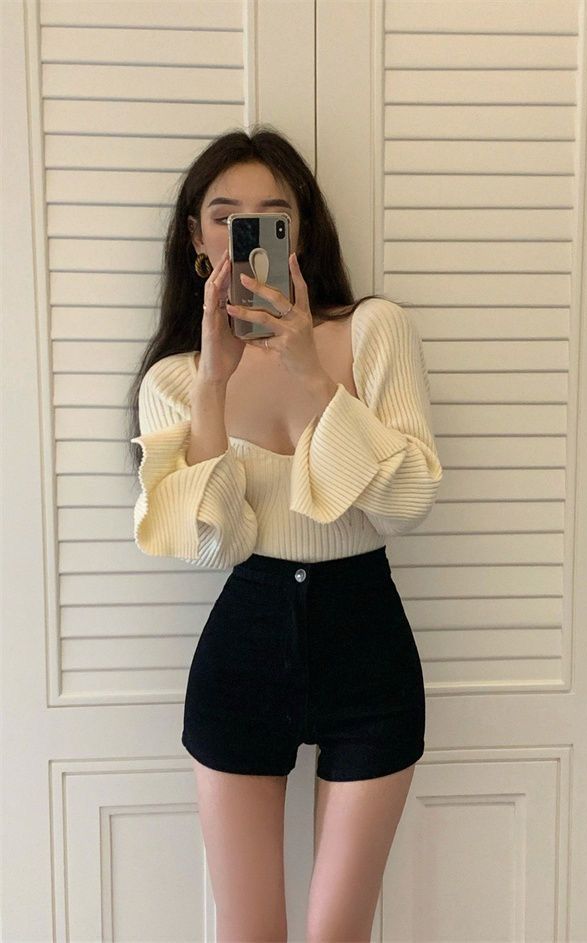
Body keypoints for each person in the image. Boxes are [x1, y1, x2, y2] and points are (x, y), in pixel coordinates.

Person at [126, 125, 443, 943]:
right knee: (249, 934)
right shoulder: (174, 380)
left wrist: (308, 370)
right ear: (198, 239)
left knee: (340, 933)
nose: (246, 231)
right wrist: (213, 382)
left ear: (299, 230)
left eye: (271, 213)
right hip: (246, 641)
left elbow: (405, 502)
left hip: (367, 640)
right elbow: (214, 545)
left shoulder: (373, 330)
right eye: (224, 215)